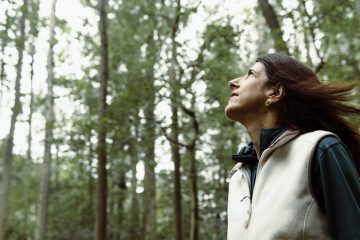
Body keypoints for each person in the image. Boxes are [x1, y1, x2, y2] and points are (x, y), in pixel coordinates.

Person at [224, 53, 360, 240]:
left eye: (250, 74)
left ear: (275, 93)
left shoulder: (319, 149)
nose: (233, 82)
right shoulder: (239, 175)